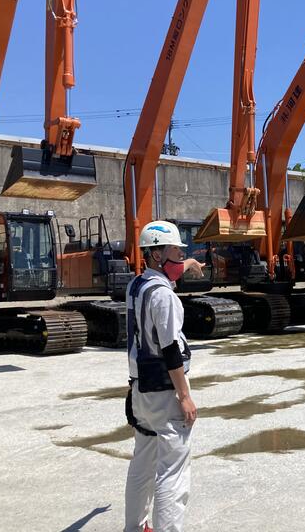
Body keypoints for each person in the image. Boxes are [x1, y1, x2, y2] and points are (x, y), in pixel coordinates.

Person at [124, 220, 205, 532]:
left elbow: (175, 269)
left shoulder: (137, 286)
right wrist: (184, 397)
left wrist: (191, 263)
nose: (181, 255)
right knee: (173, 471)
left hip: (141, 390)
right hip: (165, 391)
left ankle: (134, 527)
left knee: (142, 462)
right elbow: (170, 349)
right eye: (176, 250)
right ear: (157, 254)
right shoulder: (164, 296)